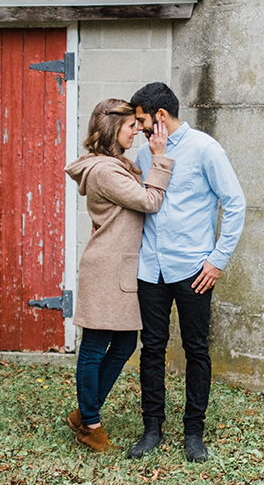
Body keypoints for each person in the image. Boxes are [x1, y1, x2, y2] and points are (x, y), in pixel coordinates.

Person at [127, 82, 245, 463]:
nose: (139, 126)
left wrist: (216, 260)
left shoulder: (206, 150)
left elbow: (235, 203)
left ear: (160, 116)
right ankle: (152, 428)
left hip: (194, 268)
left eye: (142, 119)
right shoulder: (146, 154)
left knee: (196, 350)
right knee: (152, 350)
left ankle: (194, 432)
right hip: (151, 268)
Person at [63, 99, 173, 452]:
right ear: (113, 129)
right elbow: (150, 202)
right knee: (95, 346)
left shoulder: (112, 166)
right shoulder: (106, 171)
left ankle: (84, 412)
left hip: (119, 265)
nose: (137, 131)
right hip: (108, 267)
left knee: (125, 342)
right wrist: (160, 158)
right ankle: (90, 424)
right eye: (131, 127)